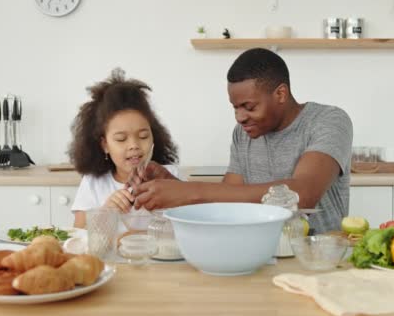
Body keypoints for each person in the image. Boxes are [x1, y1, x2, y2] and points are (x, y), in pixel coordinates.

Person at [129, 48, 353, 233]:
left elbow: (302, 195)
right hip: (260, 255)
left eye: (249, 107)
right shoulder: (242, 134)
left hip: (319, 260)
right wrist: (172, 185)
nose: (240, 117)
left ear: (281, 94)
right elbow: (226, 201)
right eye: (235, 107)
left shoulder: (328, 121)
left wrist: (189, 191)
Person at [68, 68, 179, 229]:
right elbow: (78, 233)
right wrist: (107, 212)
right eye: (121, 139)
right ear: (105, 145)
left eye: (143, 136)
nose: (134, 145)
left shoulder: (171, 175)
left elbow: (191, 223)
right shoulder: (93, 184)